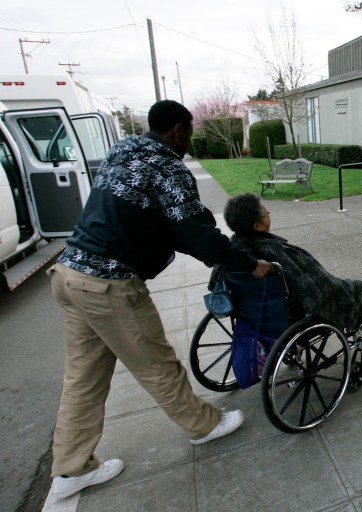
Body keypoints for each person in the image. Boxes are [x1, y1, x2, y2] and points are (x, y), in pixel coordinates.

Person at [47, 100, 274, 500]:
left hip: (69, 275)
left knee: (83, 377)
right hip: (108, 283)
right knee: (156, 363)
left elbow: (167, 228)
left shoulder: (123, 151)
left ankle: (70, 469)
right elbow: (196, 232)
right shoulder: (168, 168)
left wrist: (204, 250)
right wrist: (248, 264)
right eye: (188, 131)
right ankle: (203, 426)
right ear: (177, 131)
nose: (188, 139)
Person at [222, 192, 362, 336]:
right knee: (357, 287)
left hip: (255, 313)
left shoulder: (235, 249)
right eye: (267, 214)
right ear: (256, 225)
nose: (269, 216)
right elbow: (316, 287)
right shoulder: (272, 252)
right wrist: (337, 286)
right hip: (293, 311)